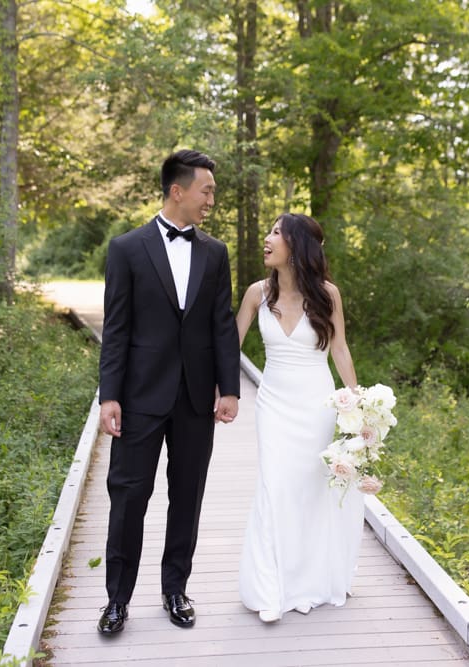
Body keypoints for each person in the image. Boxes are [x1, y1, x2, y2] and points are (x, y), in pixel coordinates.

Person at [96, 149, 241, 635]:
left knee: (188, 496)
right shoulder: (126, 249)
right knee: (129, 497)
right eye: (207, 190)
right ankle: (117, 601)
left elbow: (223, 325)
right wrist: (109, 395)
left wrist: (230, 388)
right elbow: (115, 329)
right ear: (177, 191)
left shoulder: (215, 253)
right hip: (139, 396)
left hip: (196, 399)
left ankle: (175, 589)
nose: (211, 201)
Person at [235, 212, 362, 623]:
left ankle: (309, 581)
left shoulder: (328, 294)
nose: (267, 239)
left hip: (318, 406)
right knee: (275, 488)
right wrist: (218, 389)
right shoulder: (257, 293)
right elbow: (227, 345)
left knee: (312, 492)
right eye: (269, 231)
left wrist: (358, 406)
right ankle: (270, 589)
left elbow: (339, 350)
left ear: (297, 246)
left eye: (276, 233)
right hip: (273, 406)